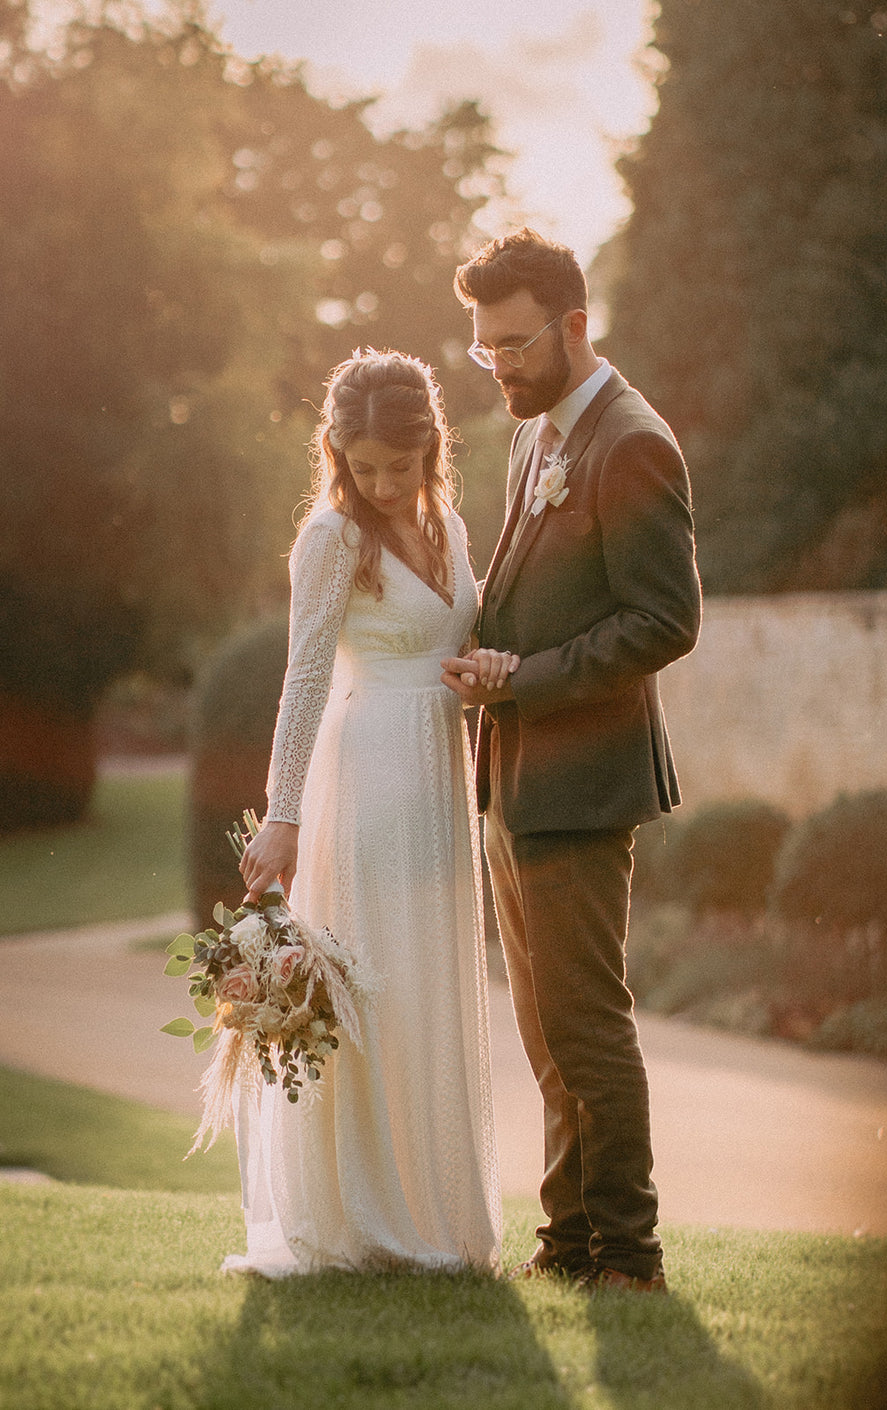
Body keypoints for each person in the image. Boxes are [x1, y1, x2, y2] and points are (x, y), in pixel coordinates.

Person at [442, 229, 702, 1294]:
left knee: (587, 1028)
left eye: (513, 343)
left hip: (583, 783)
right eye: (482, 349)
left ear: (574, 325)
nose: (498, 364)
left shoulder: (630, 442)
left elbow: (664, 620)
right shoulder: (536, 434)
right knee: (546, 1032)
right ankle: (570, 1242)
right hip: (515, 777)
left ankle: (629, 1257)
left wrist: (525, 680)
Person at [232, 349, 511, 1277]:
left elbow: (454, 640)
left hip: (439, 773)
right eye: (364, 467)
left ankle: (438, 1216)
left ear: (432, 449)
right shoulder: (331, 539)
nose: (384, 484)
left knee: (428, 988)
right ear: (337, 454)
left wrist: (483, 676)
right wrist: (283, 813)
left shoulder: (452, 527)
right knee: (374, 991)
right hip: (367, 777)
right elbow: (306, 675)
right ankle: (360, 1219)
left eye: (401, 464)